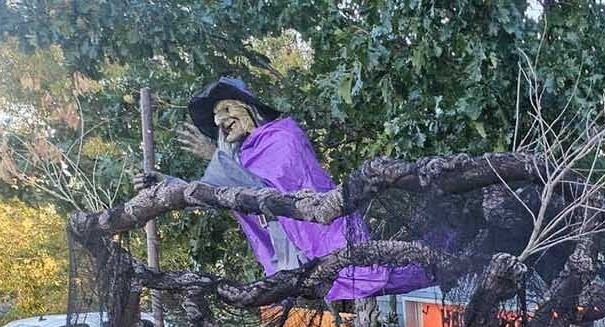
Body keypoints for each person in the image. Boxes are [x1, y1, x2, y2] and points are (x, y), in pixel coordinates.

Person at [138, 76, 424, 300]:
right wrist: (166, 182)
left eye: (226, 109)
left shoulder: (282, 137)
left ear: (247, 108)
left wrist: (215, 155)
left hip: (319, 236)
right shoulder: (242, 155)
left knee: (393, 272)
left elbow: (262, 188)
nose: (219, 120)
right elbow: (219, 194)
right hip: (288, 256)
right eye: (215, 116)